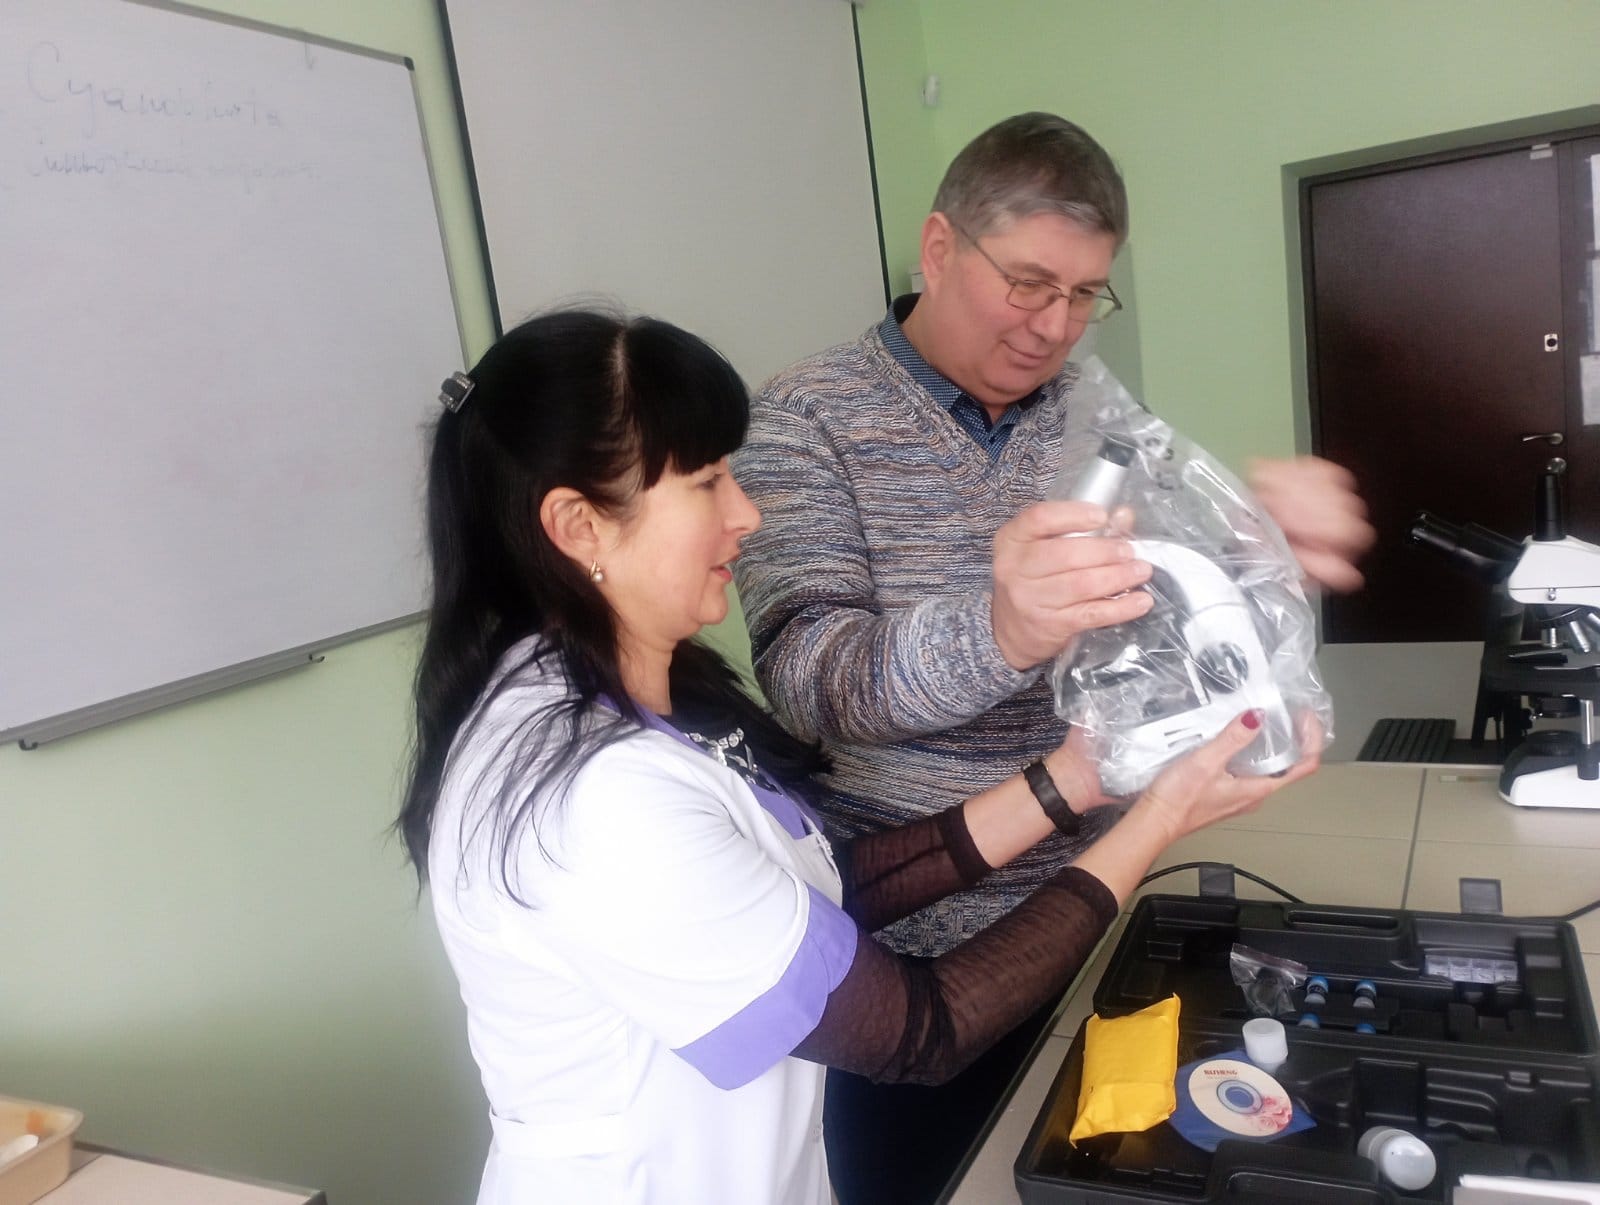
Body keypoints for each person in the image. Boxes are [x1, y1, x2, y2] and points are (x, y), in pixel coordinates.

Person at [397, 307, 1322, 1205]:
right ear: (579, 525)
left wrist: (1076, 778)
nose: (747, 513)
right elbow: (922, 1029)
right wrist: (1156, 818)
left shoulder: (641, 702)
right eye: (708, 482)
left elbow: (817, 897)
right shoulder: (595, 800)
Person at [730, 112, 1375, 1202]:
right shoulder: (802, 420)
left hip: (1102, 897)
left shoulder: (1089, 415)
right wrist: (1000, 630)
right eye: (1028, 283)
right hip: (917, 947)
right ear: (940, 247)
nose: (1054, 326)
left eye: (1084, 294)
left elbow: (1153, 616)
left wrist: (1262, 555)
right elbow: (808, 679)